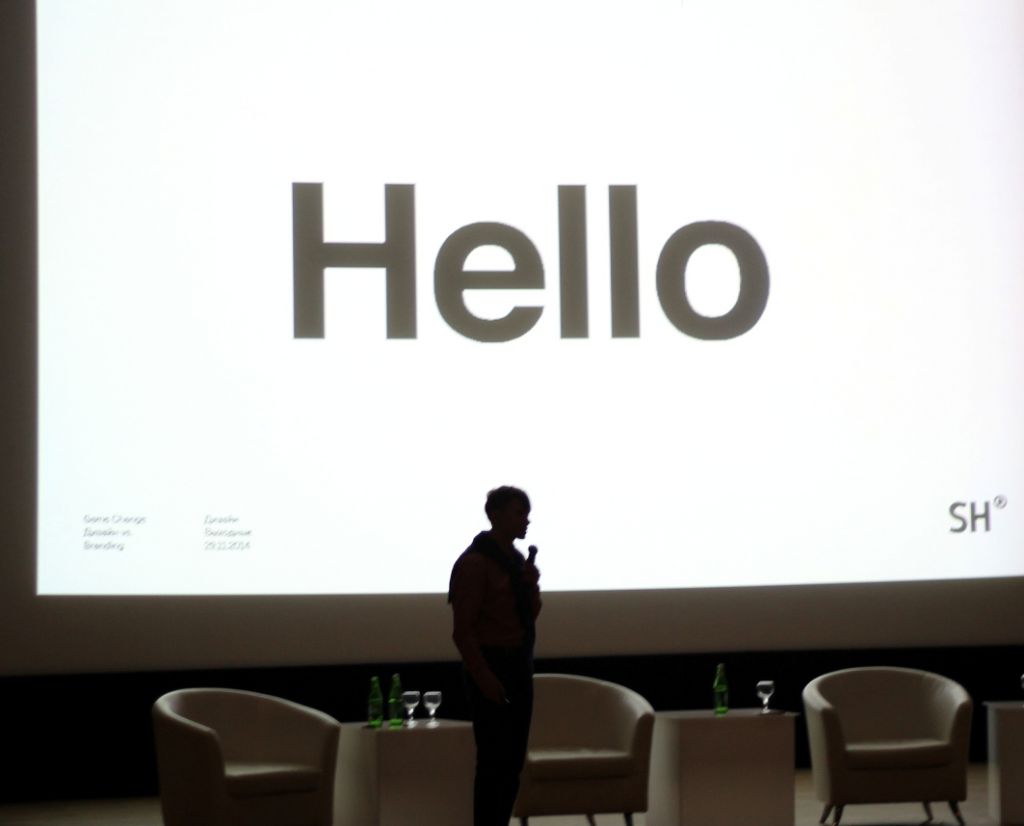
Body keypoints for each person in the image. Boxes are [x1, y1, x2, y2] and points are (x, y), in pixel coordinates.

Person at [448, 485, 542, 826]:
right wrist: (484, 677)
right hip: (491, 666)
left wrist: (531, 585)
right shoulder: (475, 563)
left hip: (518, 665)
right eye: (519, 513)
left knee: (512, 762)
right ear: (495, 515)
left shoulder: (516, 560)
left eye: (527, 514)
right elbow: (463, 631)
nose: (526, 521)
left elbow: (528, 616)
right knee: (492, 763)